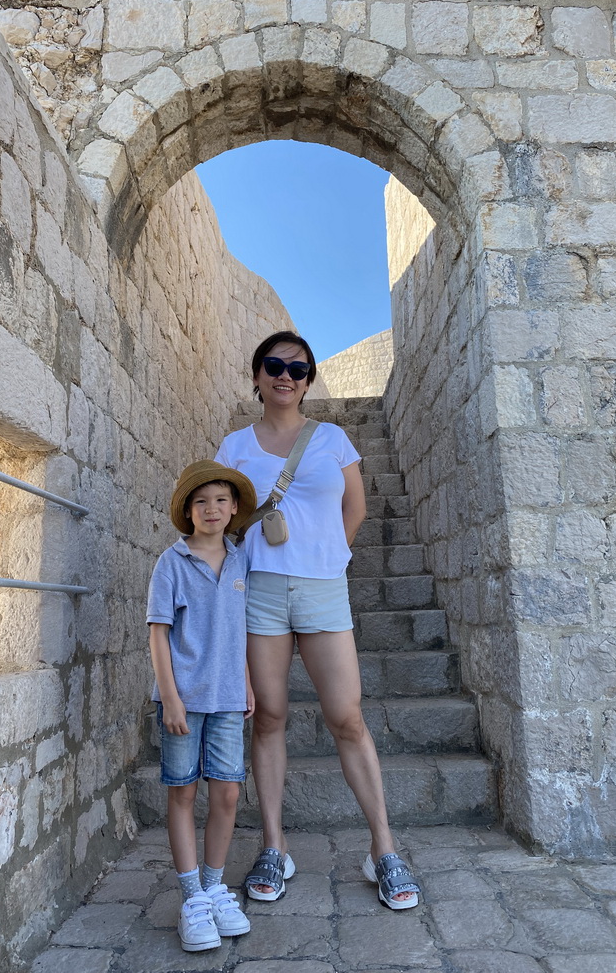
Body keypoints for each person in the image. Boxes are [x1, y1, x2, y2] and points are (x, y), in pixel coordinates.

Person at [215, 331, 420, 911]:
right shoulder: (234, 446)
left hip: (323, 589)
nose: (287, 376)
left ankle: (383, 847)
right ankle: (274, 845)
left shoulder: (331, 438)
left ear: (308, 380)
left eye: (298, 369)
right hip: (260, 590)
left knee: (346, 716)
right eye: (274, 366)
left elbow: (354, 507)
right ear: (256, 376)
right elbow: (223, 520)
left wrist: (335, 554)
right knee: (270, 716)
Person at [146, 460, 258, 951]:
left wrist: (248, 682)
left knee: (228, 793)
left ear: (233, 509)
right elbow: (158, 633)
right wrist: (169, 696)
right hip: (184, 701)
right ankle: (191, 897)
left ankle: (215, 889)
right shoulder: (171, 562)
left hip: (230, 699)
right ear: (187, 511)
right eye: (200, 501)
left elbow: (239, 630)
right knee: (183, 793)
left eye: (220, 500)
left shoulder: (240, 561)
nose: (211, 509)